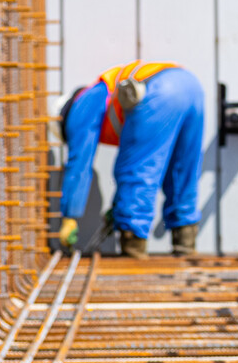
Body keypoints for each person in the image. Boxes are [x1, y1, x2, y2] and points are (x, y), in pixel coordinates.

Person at [54, 60, 205, 257]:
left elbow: (79, 166)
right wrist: (119, 205)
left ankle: (133, 245)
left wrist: (69, 216)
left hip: (158, 90)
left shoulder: (81, 105)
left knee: (136, 170)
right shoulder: (101, 92)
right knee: (183, 170)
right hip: (190, 86)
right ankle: (185, 241)